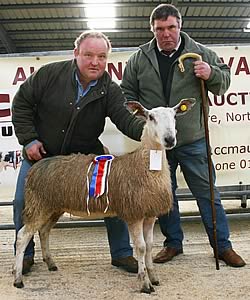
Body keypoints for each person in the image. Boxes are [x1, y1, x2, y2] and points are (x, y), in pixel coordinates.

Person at [121, 4, 246, 267]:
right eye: (160, 29)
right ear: (152, 29)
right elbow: (126, 94)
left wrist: (211, 74)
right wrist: (144, 126)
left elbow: (224, 82)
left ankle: (222, 247)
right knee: (163, 195)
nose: (166, 34)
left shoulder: (201, 53)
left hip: (192, 140)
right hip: (156, 146)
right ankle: (173, 244)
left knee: (207, 193)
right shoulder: (139, 58)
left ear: (180, 25)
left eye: (171, 28)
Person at [12, 30, 145, 275]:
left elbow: (126, 120)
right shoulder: (49, 74)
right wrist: (29, 139)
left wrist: (153, 130)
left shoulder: (110, 90)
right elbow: (21, 103)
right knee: (22, 200)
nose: (95, 62)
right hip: (42, 155)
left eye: (102, 56)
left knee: (113, 194)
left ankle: (121, 254)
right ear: (76, 54)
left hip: (85, 157)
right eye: (89, 55)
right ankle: (26, 255)